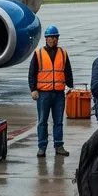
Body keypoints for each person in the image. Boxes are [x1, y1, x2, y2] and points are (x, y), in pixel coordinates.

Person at [28, 25, 74, 157]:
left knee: (58, 121)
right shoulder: (38, 54)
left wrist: (70, 87)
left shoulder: (63, 54)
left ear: (58, 39)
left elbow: (68, 71)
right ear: (46, 39)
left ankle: (59, 145)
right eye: (50, 38)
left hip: (59, 93)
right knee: (42, 121)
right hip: (43, 93)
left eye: (55, 37)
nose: (53, 40)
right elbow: (32, 73)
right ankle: (42, 146)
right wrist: (33, 90)